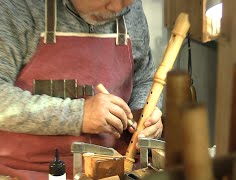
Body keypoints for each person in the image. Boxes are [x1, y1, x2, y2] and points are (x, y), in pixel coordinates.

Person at [0, 0, 163, 179]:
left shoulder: (131, 10)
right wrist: (80, 114)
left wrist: (145, 112)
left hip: (114, 168)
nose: (117, 8)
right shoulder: (19, 7)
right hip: (29, 170)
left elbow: (144, 77)